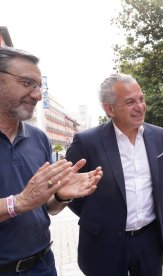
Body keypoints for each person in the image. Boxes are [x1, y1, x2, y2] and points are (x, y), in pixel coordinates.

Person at [0, 46, 103, 275]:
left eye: (39, 86)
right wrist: (17, 202)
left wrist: (60, 195)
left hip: (43, 264)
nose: (37, 95)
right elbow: (24, 202)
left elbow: (49, 209)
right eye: (27, 83)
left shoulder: (38, 138)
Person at [65, 73, 163, 276]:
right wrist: (101, 219)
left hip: (149, 240)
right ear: (109, 108)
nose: (140, 107)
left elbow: (161, 183)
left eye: (141, 99)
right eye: (130, 102)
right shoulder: (86, 142)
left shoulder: (159, 136)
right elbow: (70, 192)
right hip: (104, 243)